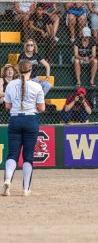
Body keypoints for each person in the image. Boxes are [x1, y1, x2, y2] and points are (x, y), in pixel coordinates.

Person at [3, 59, 45, 197]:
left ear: (18, 70)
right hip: (30, 120)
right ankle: (25, 189)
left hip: (15, 119)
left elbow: (7, 106)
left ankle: (8, 179)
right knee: (28, 157)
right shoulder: (37, 86)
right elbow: (41, 108)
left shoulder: (10, 85)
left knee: (12, 155)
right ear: (30, 70)